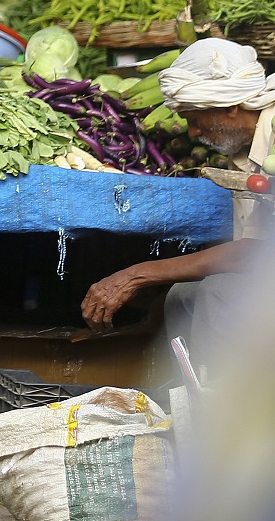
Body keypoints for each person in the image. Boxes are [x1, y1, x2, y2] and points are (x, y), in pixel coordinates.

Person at [81, 39, 275, 363]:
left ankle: (234, 406)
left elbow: (257, 254)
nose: (193, 131)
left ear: (231, 107)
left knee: (221, 294)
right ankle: (194, 399)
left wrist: (139, 274)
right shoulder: (243, 153)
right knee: (182, 297)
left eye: (195, 118)